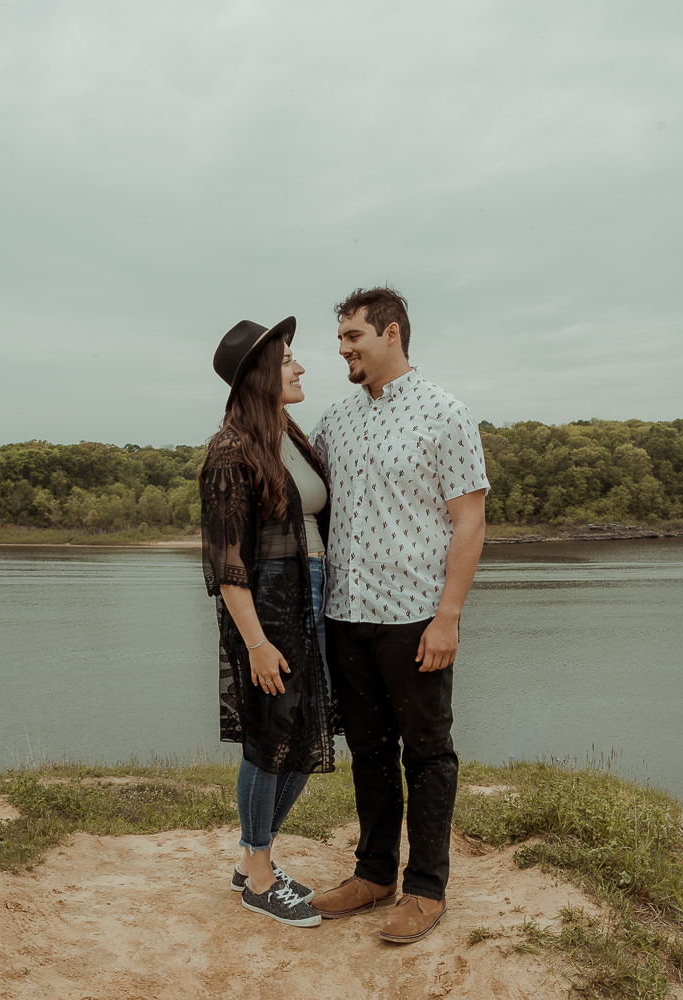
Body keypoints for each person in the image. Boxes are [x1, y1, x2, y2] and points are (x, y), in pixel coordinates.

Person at [308, 287, 489, 944]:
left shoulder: (446, 414)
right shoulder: (334, 420)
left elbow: (470, 521)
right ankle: (375, 873)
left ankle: (427, 888)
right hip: (346, 615)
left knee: (429, 753)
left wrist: (449, 617)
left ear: (390, 333)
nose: (342, 349)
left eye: (352, 336)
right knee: (369, 751)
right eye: (340, 338)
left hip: (416, 617)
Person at [199, 316, 340, 928]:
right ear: (259, 375)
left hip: (312, 595)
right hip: (269, 606)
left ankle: (251, 858)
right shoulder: (229, 451)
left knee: (307, 732)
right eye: (286, 360)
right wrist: (255, 643)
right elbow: (228, 564)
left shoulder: (289, 436)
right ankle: (259, 877)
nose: (300, 366)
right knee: (269, 735)